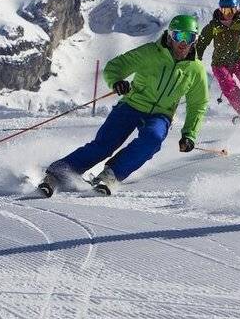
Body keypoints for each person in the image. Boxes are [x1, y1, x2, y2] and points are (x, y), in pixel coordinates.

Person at [39, 14, 209, 196]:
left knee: (153, 139)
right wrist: (117, 82)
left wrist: (189, 134)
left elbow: (198, 104)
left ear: (195, 40)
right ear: (170, 36)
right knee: (105, 144)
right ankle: (57, 175)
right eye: (179, 36)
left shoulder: (195, 69)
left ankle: (110, 175)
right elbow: (114, 67)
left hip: (160, 114)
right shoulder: (150, 53)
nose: (183, 43)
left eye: (189, 37)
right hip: (131, 105)